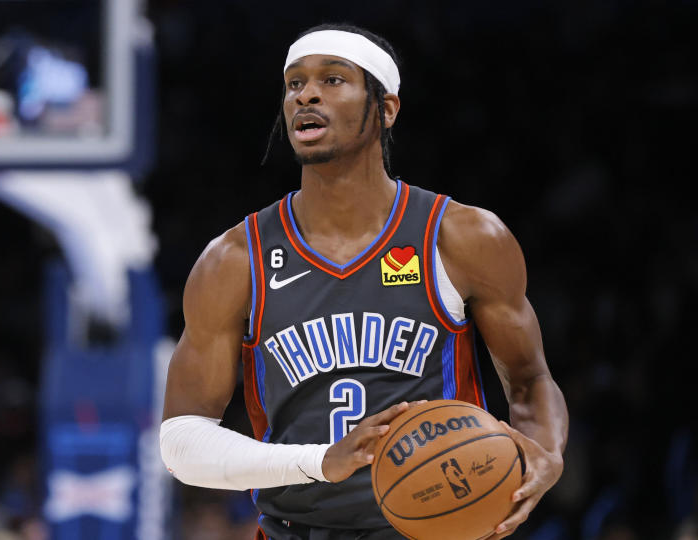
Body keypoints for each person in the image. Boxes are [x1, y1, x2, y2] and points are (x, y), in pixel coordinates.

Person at [160, 23, 568, 540]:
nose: (306, 93)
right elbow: (180, 443)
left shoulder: (461, 237)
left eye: (333, 80)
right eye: (294, 84)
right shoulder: (236, 258)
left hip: (438, 529)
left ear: (387, 108)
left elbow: (530, 380)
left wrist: (547, 454)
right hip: (297, 529)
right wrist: (318, 462)